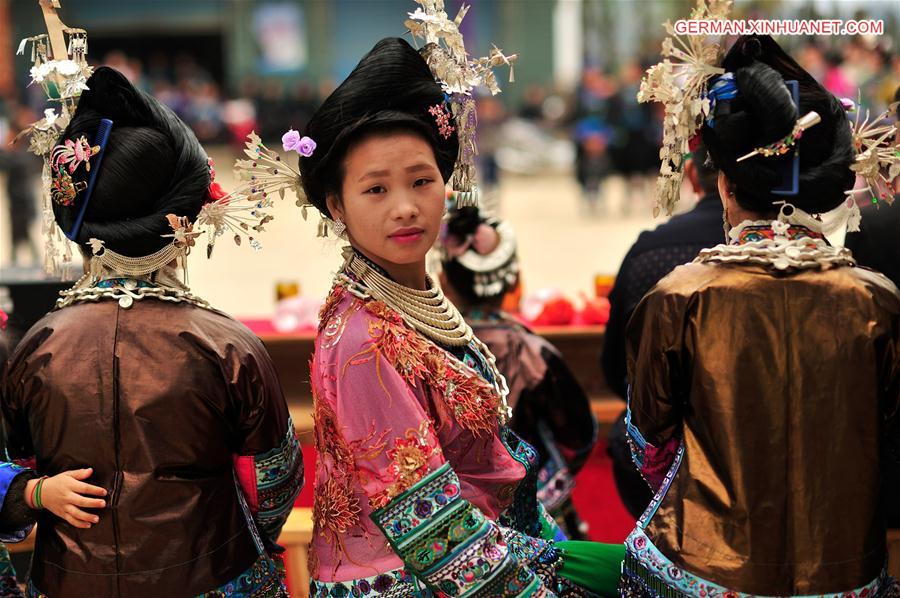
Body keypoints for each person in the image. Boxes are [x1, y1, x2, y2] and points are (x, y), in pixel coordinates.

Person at [236, 7, 623, 592]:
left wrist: (557, 550)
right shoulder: (365, 338)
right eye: (375, 189)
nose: (405, 206)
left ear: (447, 183)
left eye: (421, 180)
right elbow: (430, 531)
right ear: (336, 207)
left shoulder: (413, 303)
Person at [1, 67, 302, 597]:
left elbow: (19, 468)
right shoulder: (228, 346)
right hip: (211, 576)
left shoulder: (34, 348)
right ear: (185, 220)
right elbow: (273, 483)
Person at [621, 33, 900, 596]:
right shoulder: (875, 299)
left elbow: (651, 439)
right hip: (844, 569)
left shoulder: (679, 296)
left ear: (723, 185)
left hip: (704, 570)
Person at [439, 205, 597, 540]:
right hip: (537, 513)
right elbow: (579, 433)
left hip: (454, 519)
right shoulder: (533, 352)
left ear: (442, 282)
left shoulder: (428, 350)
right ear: (516, 282)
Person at [601, 142, 722, 519]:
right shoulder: (792, 252)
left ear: (690, 177)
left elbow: (615, 366)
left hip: (664, 451)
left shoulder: (650, 249)